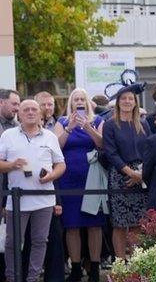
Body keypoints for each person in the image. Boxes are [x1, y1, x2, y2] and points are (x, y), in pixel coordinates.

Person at [0, 100, 66, 282]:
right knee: (12, 243)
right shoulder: (8, 135)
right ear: (19, 114)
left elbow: (61, 164)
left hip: (44, 200)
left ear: (40, 114)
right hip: (16, 200)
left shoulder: (50, 137)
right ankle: (12, 278)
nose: (30, 112)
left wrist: (52, 175)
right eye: (26, 109)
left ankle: (33, 278)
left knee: (40, 241)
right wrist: (12, 165)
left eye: (34, 109)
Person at [55, 89, 105, 282]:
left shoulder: (98, 121)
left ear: (88, 102)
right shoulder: (62, 121)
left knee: (94, 224)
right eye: (75, 99)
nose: (79, 102)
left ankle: (94, 268)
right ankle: (75, 268)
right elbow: (56, 146)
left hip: (92, 177)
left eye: (82, 99)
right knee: (72, 225)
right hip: (68, 178)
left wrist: (88, 128)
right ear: (70, 103)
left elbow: (102, 144)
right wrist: (70, 127)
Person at [103, 87, 148, 259]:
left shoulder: (143, 124)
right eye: (124, 98)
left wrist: (141, 174)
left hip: (141, 175)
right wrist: (130, 173)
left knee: (137, 222)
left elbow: (149, 149)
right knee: (120, 224)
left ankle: (137, 262)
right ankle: (120, 264)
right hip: (119, 175)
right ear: (118, 102)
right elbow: (110, 153)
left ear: (136, 102)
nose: (127, 101)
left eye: (131, 98)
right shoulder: (110, 124)